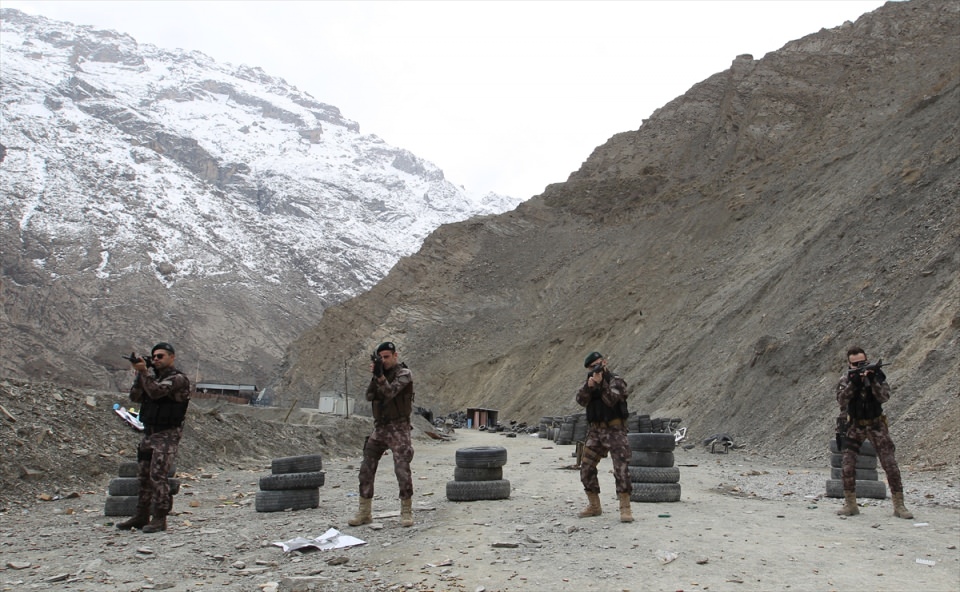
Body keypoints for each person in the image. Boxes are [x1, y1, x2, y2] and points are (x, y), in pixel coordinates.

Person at [117, 342, 191, 533]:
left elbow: (157, 393)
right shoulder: (152, 379)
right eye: (154, 357)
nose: (156, 359)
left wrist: (144, 373)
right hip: (149, 432)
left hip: (167, 433)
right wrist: (139, 375)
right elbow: (135, 397)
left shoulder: (178, 379)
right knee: (143, 477)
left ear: (171, 357)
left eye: (161, 356)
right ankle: (141, 515)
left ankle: (160, 517)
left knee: (158, 475)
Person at [835, 346, 913, 519]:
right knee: (847, 465)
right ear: (849, 364)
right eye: (855, 364)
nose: (859, 366)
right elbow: (841, 400)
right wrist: (854, 384)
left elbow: (884, 397)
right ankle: (850, 504)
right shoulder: (846, 379)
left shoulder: (877, 376)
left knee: (890, 464)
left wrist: (872, 382)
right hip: (855, 425)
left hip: (876, 424)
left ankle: (899, 505)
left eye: (862, 363)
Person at [348, 341, 416, 528]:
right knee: (366, 469)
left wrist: (380, 376)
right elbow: (370, 396)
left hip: (399, 427)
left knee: (402, 468)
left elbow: (390, 392)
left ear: (395, 356)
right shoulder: (380, 375)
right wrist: (376, 375)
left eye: (387, 357)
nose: (384, 361)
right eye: (381, 358)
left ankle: (406, 511)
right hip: (380, 428)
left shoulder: (404, 374)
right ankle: (364, 512)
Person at [575, 351, 633, 523]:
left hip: (615, 430)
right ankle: (594, 505)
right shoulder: (590, 382)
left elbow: (612, 400)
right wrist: (589, 386)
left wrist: (601, 385)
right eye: (592, 368)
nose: (596, 369)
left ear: (605, 363)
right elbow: (580, 400)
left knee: (621, 469)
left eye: (597, 365)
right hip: (596, 431)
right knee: (586, 468)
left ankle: (625, 508)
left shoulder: (616, 381)